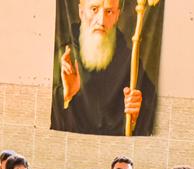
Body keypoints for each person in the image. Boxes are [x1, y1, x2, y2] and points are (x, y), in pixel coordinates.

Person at [52, 0, 157, 136]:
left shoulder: (129, 60)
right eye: (94, 9)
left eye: (109, 12)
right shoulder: (65, 56)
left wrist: (135, 114)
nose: (101, 21)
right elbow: (50, 114)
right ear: (81, 12)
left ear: (117, 16)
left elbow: (149, 109)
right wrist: (66, 95)